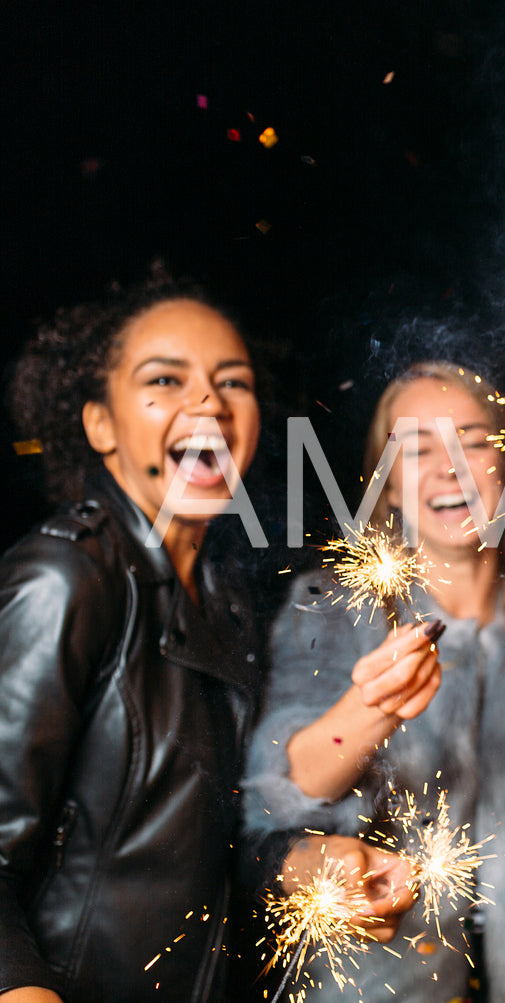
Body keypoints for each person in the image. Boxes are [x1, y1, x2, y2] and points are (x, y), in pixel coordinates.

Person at [0, 271, 413, 1003]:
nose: (208, 403)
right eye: (166, 378)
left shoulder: (230, 598)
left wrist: (309, 865)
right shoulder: (67, 578)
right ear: (99, 424)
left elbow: (221, 839)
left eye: (234, 383)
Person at [241, 360, 505, 1002]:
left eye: (474, 440)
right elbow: (280, 797)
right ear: (385, 484)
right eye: (415, 447)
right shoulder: (330, 607)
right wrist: (371, 709)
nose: (451, 467)